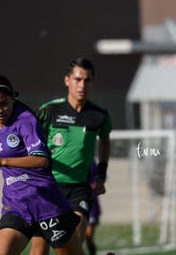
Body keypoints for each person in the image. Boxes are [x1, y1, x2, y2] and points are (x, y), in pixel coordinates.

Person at [0, 75, 82, 255]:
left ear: (12, 98)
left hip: (46, 204)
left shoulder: (25, 121)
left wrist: (0, 161)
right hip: (16, 204)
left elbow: (41, 160)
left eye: (4, 103)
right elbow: (3, 155)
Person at [30, 57, 112, 255]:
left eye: (87, 80)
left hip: (80, 190)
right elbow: (30, 141)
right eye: (77, 79)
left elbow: (105, 142)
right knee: (39, 250)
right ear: (67, 80)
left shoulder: (99, 115)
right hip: (48, 187)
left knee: (73, 241)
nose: (82, 84)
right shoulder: (49, 111)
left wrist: (101, 175)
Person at [86, 160, 102, 255]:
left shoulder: (92, 163)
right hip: (75, 203)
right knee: (77, 238)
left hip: (92, 207)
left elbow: (97, 182)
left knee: (88, 237)